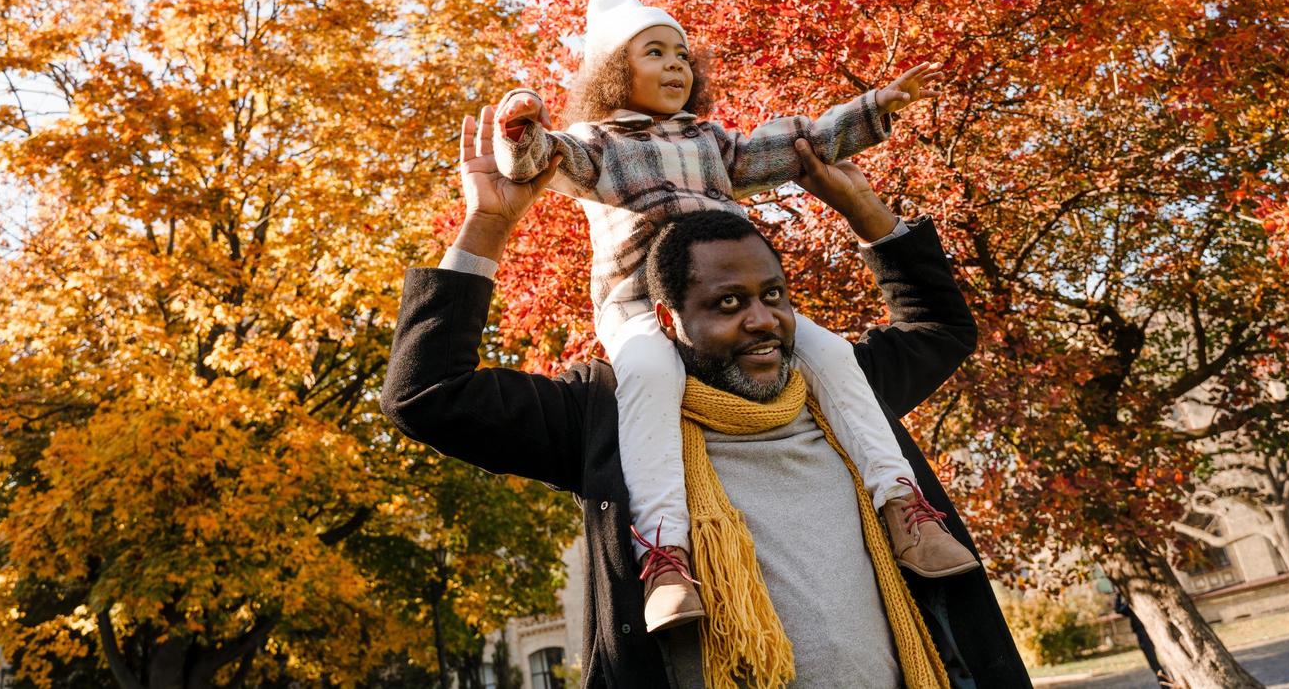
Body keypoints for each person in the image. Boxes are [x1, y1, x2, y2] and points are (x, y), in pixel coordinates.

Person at [380, 105, 1032, 688]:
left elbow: (941, 329)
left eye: (773, 296)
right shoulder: (606, 419)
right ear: (667, 320)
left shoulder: (841, 393)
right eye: (727, 303)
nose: (762, 320)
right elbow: (428, 394)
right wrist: (488, 224)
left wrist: (864, 209)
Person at [491, 0, 978, 631]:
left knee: (833, 355)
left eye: (682, 55)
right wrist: (518, 128)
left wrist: (871, 109)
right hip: (639, 298)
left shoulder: (710, 141)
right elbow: (542, 160)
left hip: (734, 295)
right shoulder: (597, 144)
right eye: (654, 53)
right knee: (649, 377)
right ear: (615, 71)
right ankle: (665, 556)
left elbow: (791, 144)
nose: (675, 66)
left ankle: (903, 506)